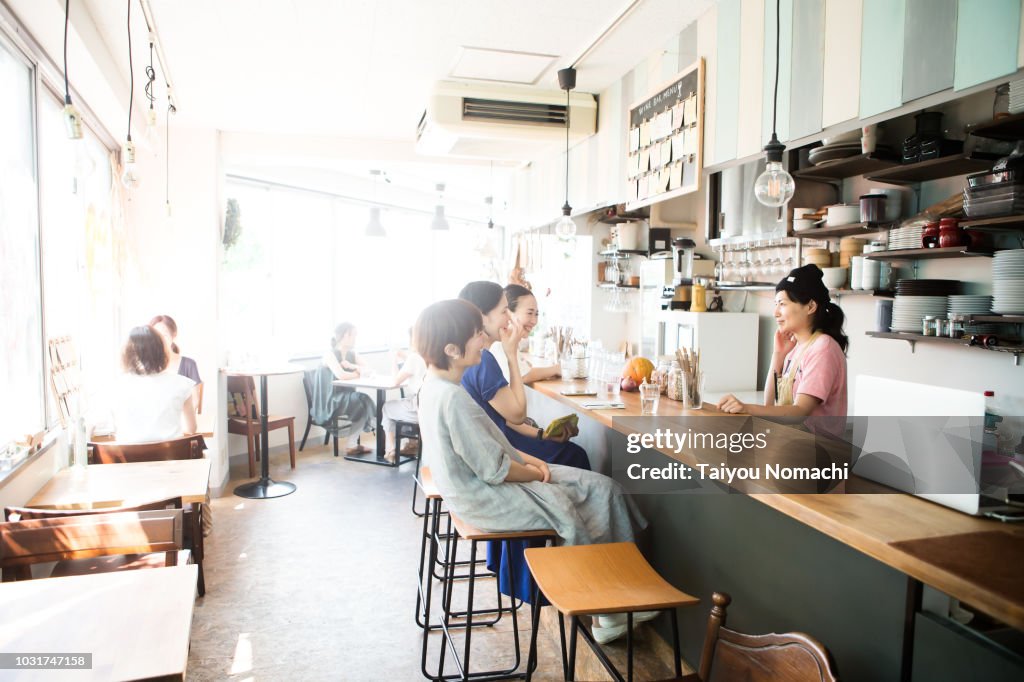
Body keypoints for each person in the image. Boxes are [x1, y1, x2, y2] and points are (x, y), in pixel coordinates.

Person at [415, 299, 647, 642]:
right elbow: (495, 468)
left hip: (480, 485)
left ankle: (621, 596)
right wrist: (537, 474)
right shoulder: (451, 399)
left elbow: (492, 447)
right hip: (483, 496)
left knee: (604, 488)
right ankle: (599, 609)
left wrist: (530, 461)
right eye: (477, 334)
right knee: (568, 508)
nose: (484, 339)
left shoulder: (436, 387)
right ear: (451, 349)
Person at [457, 281, 588, 470]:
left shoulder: (468, 357)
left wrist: (541, 434)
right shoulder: (482, 361)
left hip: (493, 448)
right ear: (481, 316)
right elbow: (518, 415)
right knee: (577, 456)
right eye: (504, 312)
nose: (509, 318)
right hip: (501, 453)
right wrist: (511, 354)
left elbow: (504, 417)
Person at [716, 264, 848, 419]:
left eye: (783, 304)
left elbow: (800, 412)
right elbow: (769, 404)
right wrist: (778, 355)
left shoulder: (823, 348)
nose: (776, 313)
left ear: (811, 306)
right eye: (776, 304)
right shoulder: (796, 349)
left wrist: (746, 408)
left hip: (816, 443)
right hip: (793, 439)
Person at [112, 325, 197, 442]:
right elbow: (191, 428)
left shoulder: (116, 386)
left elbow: (110, 426)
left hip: (128, 458)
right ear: (162, 351)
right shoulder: (182, 384)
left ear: (127, 354)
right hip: (172, 457)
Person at [322, 322, 377, 455]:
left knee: (363, 401)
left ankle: (352, 445)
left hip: (348, 396)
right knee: (362, 400)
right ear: (346, 335)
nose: (356, 338)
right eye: (354, 335)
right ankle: (354, 444)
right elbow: (340, 375)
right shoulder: (330, 354)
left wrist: (353, 367)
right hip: (332, 398)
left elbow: (370, 371)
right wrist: (358, 373)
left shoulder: (353, 354)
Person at [491, 284, 560, 383]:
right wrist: (556, 369)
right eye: (529, 313)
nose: (534, 321)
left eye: (536, 314)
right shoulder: (498, 344)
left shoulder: (512, 343)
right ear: (509, 313)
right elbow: (523, 376)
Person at [381, 336, 427, 462]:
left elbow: (395, 381)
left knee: (387, 407)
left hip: (418, 409)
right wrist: (405, 356)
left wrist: (394, 360)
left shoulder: (414, 357)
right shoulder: (431, 354)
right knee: (403, 403)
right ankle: (412, 444)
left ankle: (390, 450)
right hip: (430, 407)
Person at [150, 314, 202, 411]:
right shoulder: (147, 365)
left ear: (173, 335)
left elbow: (195, 401)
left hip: (180, 422)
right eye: (156, 335)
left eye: (164, 335)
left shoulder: (189, 364)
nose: (160, 340)